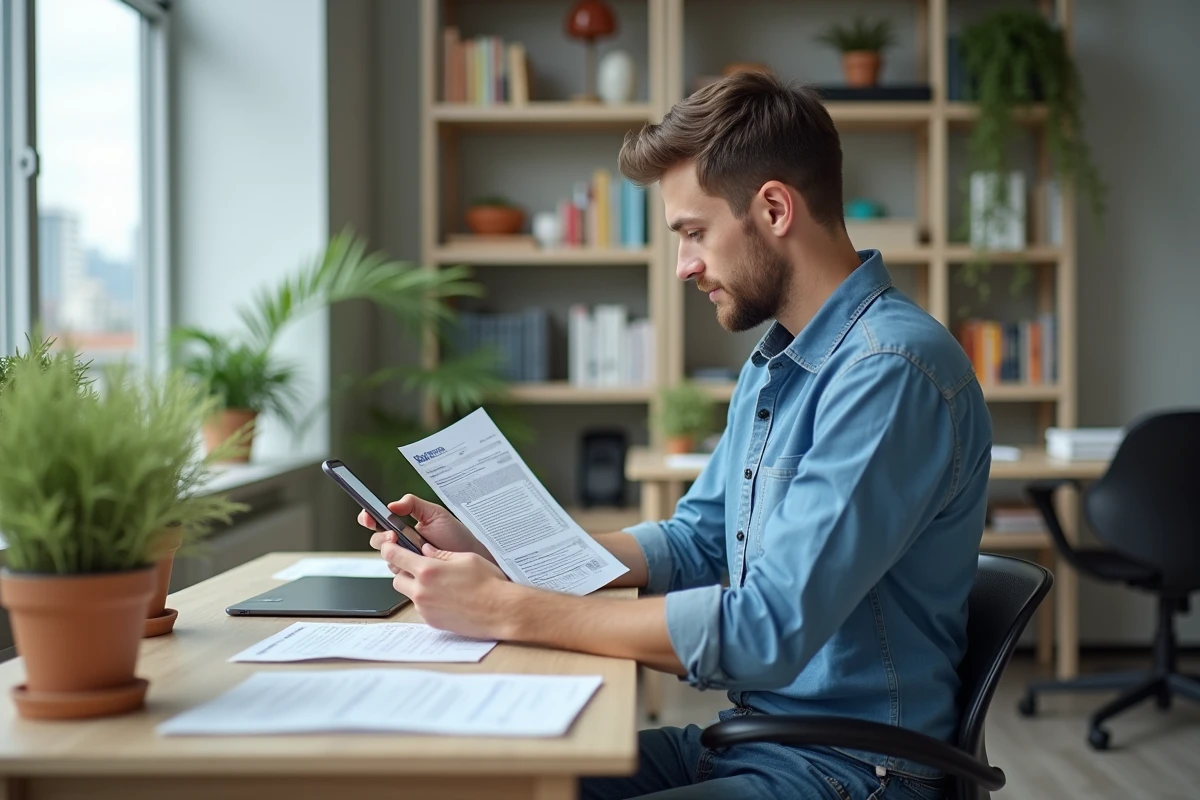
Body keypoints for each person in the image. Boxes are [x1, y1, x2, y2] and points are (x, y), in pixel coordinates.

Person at [359, 70, 992, 800]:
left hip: (852, 770)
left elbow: (767, 631)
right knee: (486, 783)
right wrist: (504, 553)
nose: (686, 265)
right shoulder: (779, 361)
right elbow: (697, 540)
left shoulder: (890, 373)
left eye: (694, 232)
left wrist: (506, 607)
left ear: (776, 208)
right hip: (761, 741)